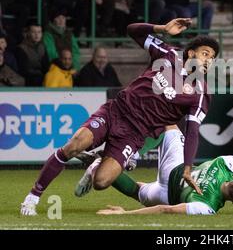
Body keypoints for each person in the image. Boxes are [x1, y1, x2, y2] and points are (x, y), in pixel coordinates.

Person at [20, 18, 219, 216]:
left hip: (134, 135)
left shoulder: (200, 93)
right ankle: (32, 198)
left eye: (213, 58)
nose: (209, 60)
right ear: (191, 52)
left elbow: (192, 132)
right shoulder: (168, 55)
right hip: (115, 112)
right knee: (74, 146)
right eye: (205, 54)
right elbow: (132, 29)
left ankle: (96, 164)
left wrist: (187, 167)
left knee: (101, 182)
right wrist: (162, 28)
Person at [94, 126, 233, 215]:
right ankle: (97, 167)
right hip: (165, 196)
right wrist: (126, 214)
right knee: (136, 191)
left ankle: (132, 154)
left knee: (168, 122)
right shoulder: (207, 206)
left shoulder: (223, 165)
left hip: (176, 168)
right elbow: (164, 210)